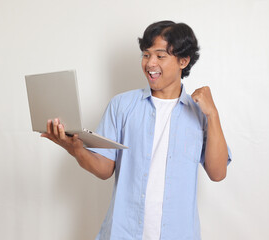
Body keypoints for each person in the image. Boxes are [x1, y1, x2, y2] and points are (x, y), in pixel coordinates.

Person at [41, 20, 231, 240]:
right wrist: (76, 150)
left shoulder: (200, 112)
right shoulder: (121, 106)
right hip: (124, 232)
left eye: (160, 56)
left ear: (183, 60)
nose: (150, 63)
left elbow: (217, 173)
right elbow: (104, 169)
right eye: (146, 54)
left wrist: (213, 115)